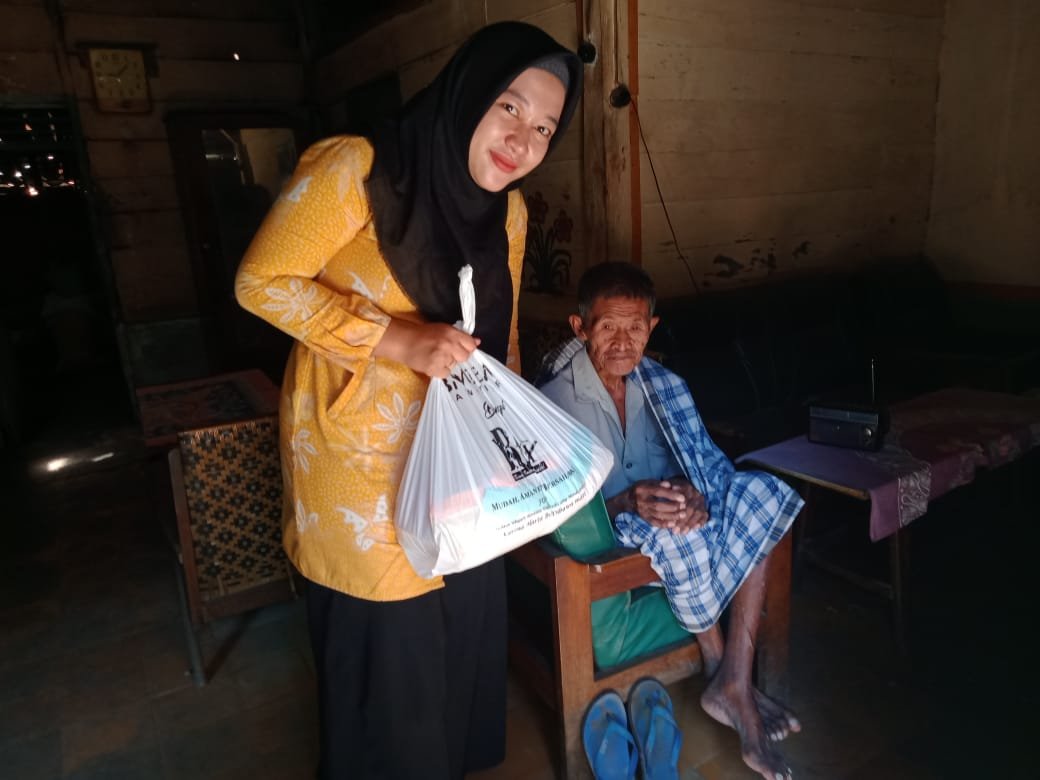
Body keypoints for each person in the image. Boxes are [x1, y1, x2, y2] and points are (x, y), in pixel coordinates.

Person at [234, 22, 582, 780]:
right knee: (392, 671)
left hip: (463, 475)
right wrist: (396, 339)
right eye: (510, 107)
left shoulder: (508, 213)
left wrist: (506, 442)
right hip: (362, 479)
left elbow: (499, 335)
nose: (523, 140)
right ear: (467, 93)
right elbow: (261, 282)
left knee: (457, 647)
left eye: (545, 128)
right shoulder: (358, 169)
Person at [538, 262, 804, 780]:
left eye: (635, 328)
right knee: (681, 536)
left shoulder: (663, 386)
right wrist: (627, 501)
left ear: (651, 329)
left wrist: (695, 494)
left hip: (666, 520)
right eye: (608, 327)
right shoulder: (552, 404)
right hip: (615, 533)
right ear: (580, 327)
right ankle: (727, 678)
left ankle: (733, 678)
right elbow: (552, 507)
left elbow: (696, 462)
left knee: (764, 492)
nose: (623, 343)